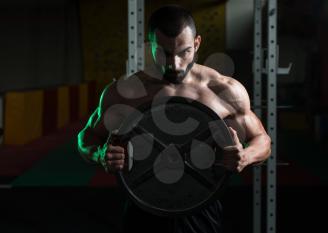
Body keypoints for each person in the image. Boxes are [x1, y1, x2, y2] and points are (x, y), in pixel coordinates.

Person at [77, 5, 271, 233]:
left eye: (184, 52)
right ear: (151, 46)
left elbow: (262, 140)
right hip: (142, 207)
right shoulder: (123, 93)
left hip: (200, 208)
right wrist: (100, 155)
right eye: (164, 53)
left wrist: (245, 156)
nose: (174, 64)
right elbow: (86, 137)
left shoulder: (224, 90)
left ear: (197, 43)